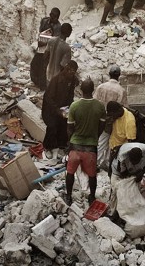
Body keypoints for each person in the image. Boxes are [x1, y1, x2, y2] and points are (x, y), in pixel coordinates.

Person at [65, 78, 107, 206]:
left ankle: (68, 196)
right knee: (92, 174)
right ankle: (92, 197)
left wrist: (70, 142)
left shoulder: (74, 106)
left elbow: (70, 128)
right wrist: (95, 136)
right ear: (93, 89)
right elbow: (102, 126)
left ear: (81, 90)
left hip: (75, 146)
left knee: (70, 172)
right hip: (91, 148)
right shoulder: (100, 106)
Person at [42, 60, 79, 160]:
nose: (71, 74)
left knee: (63, 126)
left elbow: (70, 94)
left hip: (64, 107)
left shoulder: (72, 80)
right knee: (52, 127)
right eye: (70, 72)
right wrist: (57, 110)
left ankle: (61, 146)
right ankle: (47, 147)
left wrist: (70, 106)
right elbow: (48, 98)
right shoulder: (56, 80)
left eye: (73, 73)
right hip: (51, 108)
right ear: (67, 70)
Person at [109, 142, 145, 220]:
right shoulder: (122, 156)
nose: (133, 163)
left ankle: (127, 213)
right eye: (131, 161)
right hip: (118, 172)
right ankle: (113, 213)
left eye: (135, 161)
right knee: (116, 191)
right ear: (129, 157)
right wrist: (128, 182)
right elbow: (122, 173)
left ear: (141, 158)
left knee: (134, 193)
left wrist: (140, 174)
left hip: (136, 172)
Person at [93, 65, 127, 169]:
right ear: (119, 76)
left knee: (101, 142)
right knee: (108, 142)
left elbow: (94, 101)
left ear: (109, 74)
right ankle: (99, 163)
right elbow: (124, 108)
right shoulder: (121, 91)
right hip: (111, 120)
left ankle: (99, 162)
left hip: (99, 118)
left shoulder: (101, 87)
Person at [107, 101, 137, 171]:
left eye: (113, 115)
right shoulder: (115, 115)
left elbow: (131, 142)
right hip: (113, 145)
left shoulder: (129, 120)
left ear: (119, 111)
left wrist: (118, 150)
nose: (112, 117)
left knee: (120, 170)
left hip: (122, 150)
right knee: (111, 169)